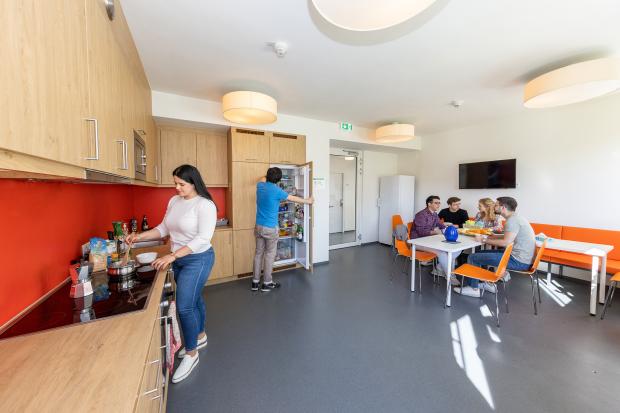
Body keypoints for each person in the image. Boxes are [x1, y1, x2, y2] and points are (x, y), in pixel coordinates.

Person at [126, 164, 217, 383]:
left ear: (193, 183)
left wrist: (172, 256)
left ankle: (192, 354)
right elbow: (163, 228)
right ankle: (200, 336)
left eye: (181, 184)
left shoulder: (205, 205)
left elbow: (202, 239)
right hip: (179, 259)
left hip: (198, 259)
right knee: (193, 299)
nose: (176, 188)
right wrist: (140, 236)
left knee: (185, 305)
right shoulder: (174, 201)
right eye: (175, 183)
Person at [455, 196, 536, 298]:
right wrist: (495, 236)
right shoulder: (516, 218)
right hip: (522, 258)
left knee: (472, 257)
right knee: (478, 254)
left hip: (518, 261)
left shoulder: (512, 221)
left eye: (496, 205)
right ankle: (488, 283)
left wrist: (484, 240)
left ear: (503, 207)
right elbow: (510, 236)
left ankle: (473, 288)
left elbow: (506, 242)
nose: (494, 207)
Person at [252, 167, 314, 292]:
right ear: (278, 180)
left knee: (258, 254)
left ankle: (255, 282)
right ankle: (267, 283)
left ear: (267, 176)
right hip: (270, 228)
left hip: (258, 226)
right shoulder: (277, 190)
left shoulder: (260, 186)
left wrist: (268, 176)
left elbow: (262, 178)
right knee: (269, 255)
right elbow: (293, 198)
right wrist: (308, 201)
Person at [411, 195, 460, 285]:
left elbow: (440, 224)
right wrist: (435, 232)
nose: (438, 205)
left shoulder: (434, 214)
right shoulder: (421, 215)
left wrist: (447, 228)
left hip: (430, 240)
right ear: (429, 204)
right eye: (436, 203)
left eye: (439, 203)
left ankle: (439, 269)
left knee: (456, 249)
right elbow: (421, 232)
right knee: (441, 252)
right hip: (417, 241)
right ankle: (450, 276)